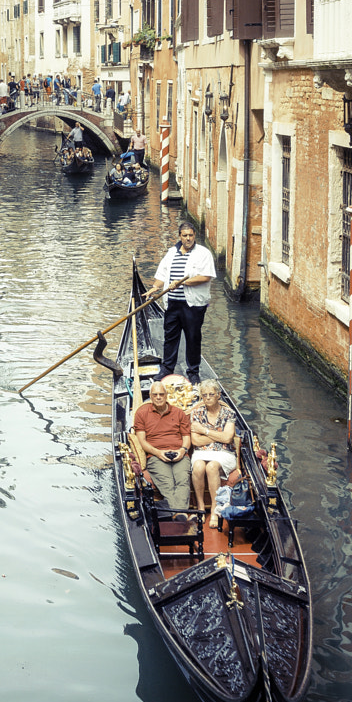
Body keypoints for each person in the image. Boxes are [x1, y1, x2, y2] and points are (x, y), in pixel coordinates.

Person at [153, 223, 217, 380]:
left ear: (194, 235)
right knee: (170, 337)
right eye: (185, 235)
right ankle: (167, 368)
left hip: (193, 305)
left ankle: (193, 372)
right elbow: (162, 274)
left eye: (191, 235)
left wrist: (182, 283)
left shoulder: (203, 253)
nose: (188, 238)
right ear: (179, 236)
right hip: (172, 304)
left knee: (193, 338)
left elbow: (205, 276)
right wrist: (154, 288)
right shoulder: (170, 253)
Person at [130, 380, 194, 510]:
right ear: (150, 396)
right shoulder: (142, 413)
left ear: (166, 395)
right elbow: (142, 441)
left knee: (182, 480)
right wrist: (158, 453)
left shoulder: (178, 413)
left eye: (161, 394)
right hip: (156, 456)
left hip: (179, 454)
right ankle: (181, 513)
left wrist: (182, 451)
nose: (158, 397)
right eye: (155, 395)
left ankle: (176, 513)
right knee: (168, 483)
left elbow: (186, 437)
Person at [187, 380, 238, 527]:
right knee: (197, 466)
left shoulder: (229, 413)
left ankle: (215, 511)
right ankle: (201, 508)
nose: (207, 398)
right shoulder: (196, 413)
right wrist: (218, 435)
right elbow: (195, 441)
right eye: (204, 395)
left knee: (212, 467)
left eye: (211, 394)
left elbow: (228, 438)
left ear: (218, 395)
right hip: (202, 452)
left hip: (224, 453)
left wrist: (205, 431)